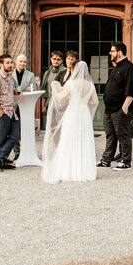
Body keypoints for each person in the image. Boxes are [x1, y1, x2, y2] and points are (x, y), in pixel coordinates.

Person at [41, 50, 98, 183]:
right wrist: (83, 101)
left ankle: (68, 170)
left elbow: (61, 99)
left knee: (68, 141)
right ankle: (83, 171)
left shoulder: (70, 84)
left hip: (72, 113)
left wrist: (55, 88)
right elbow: (95, 102)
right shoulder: (90, 85)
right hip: (83, 114)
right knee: (83, 141)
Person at [98, 41, 133, 171]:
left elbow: (130, 90)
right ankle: (106, 160)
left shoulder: (129, 68)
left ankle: (126, 162)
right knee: (110, 135)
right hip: (109, 109)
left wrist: (124, 108)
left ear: (119, 52)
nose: (110, 53)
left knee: (123, 135)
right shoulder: (117, 67)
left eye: (112, 51)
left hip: (120, 109)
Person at [0, 54, 21, 171]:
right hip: (3, 112)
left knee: (15, 136)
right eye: (7, 63)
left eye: (11, 62)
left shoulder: (10, 78)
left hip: (12, 111)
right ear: (1, 65)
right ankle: (2, 160)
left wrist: (17, 91)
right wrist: (1, 113)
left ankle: (0, 158)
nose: (10, 65)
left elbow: (11, 89)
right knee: (1, 138)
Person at [39, 51, 66, 123]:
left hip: (61, 104)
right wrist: (43, 106)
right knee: (51, 125)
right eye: (54, 59)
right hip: (50, 104)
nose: (56, 61)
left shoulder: (65, 72)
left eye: (58, 59)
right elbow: (44, 90)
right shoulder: (47, 73)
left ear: (62, 61)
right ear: (51, 59)